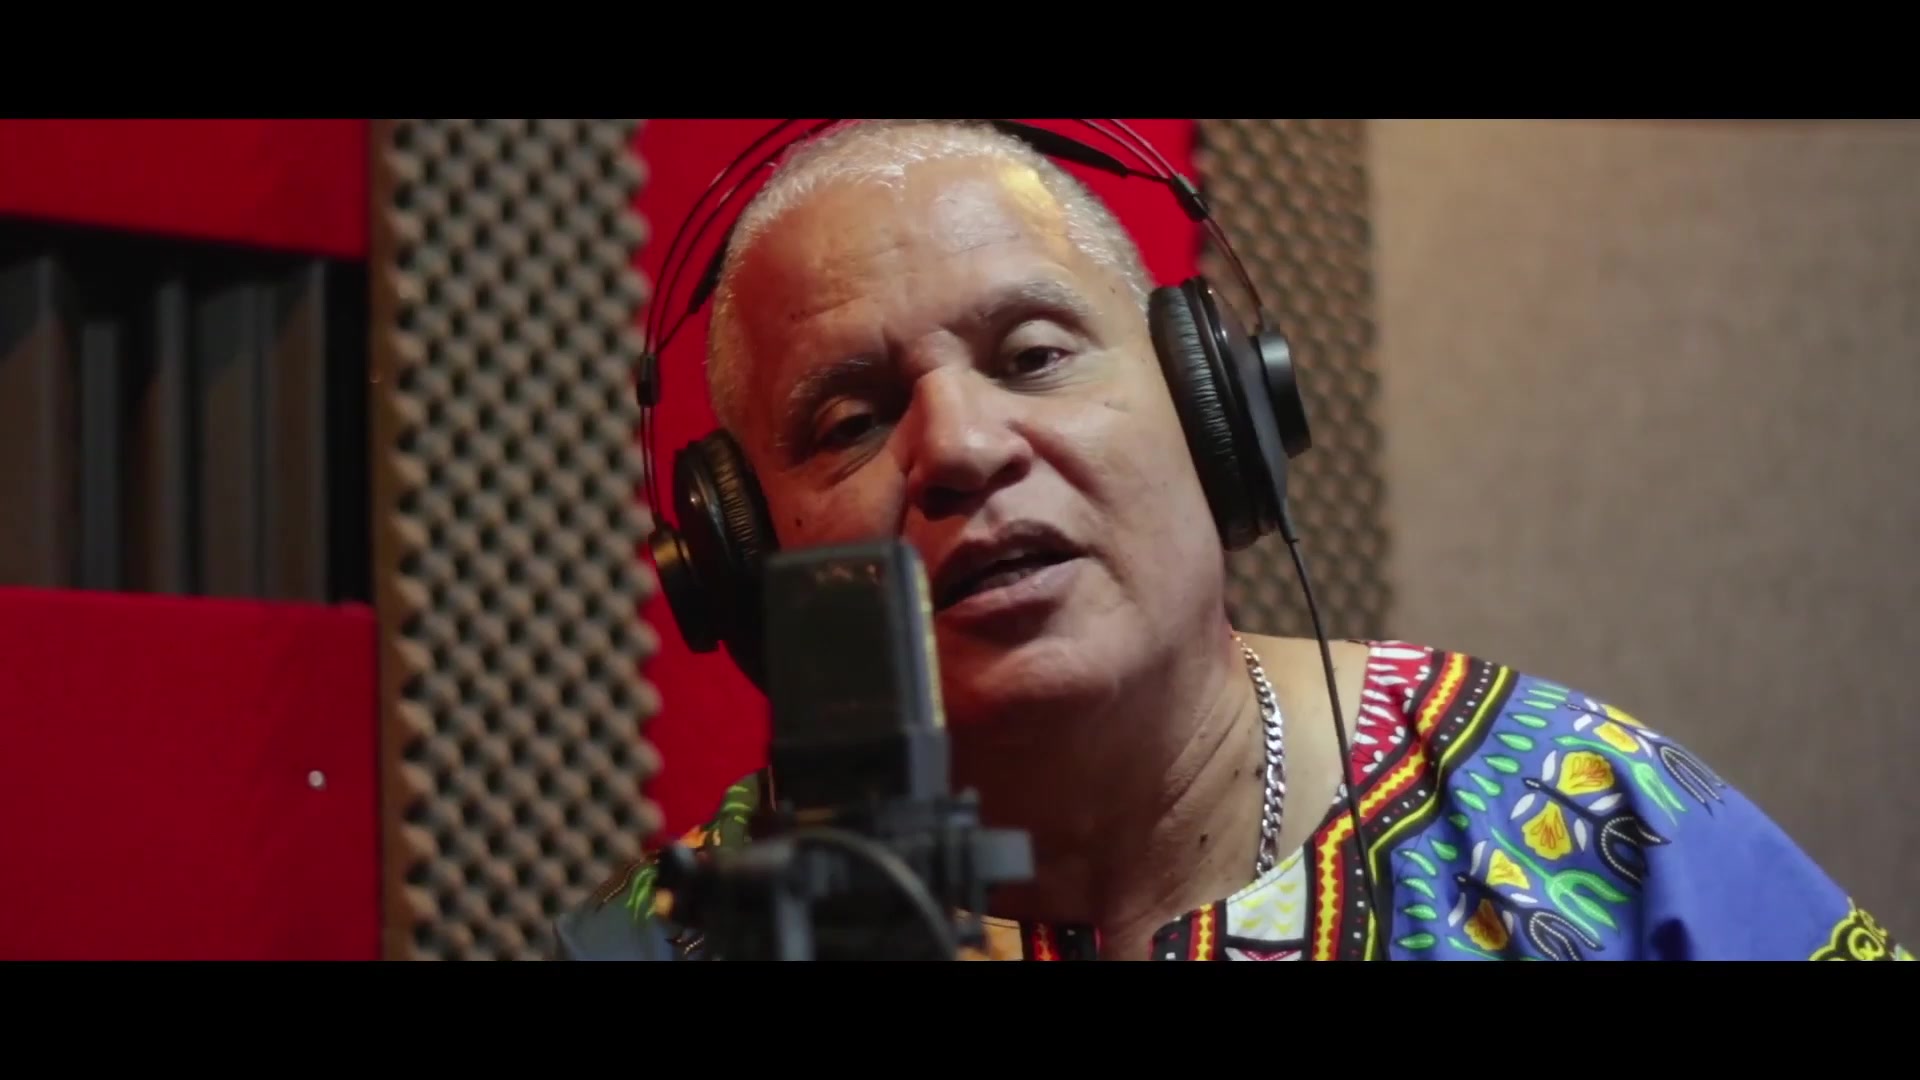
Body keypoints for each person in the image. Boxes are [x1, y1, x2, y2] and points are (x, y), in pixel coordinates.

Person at [557, 119, 1908, 961]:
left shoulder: (1583, 814)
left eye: (1033, 355)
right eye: (851, 421)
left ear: (1216, 416)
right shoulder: (670, 942)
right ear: (742, 559)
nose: (959, 446)